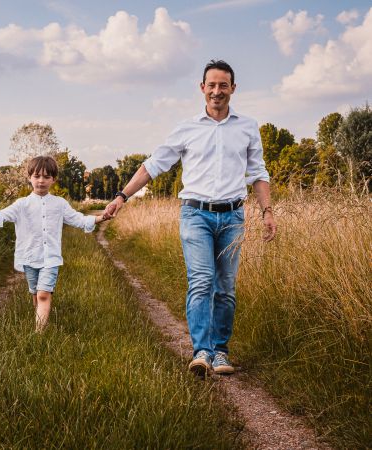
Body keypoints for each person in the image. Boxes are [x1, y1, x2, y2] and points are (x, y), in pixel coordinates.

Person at [103, 60, 277, 377]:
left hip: (233, 216)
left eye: (223, 85)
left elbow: (258, 173)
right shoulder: (187, 128)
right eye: (211, 85)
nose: (217, 91)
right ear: (202, 88)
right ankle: (201, 352)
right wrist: (121, 197)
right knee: (201, 281)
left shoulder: (247, 127)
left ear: (233, 88)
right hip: (195, 215)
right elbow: (153, 166)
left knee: (225, 287)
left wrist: (267, 211)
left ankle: (220, 351)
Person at [0, 156, 108, 331]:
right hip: (29, 257)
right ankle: (41, 322)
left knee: (43, 294)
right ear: (29, 177)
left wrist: (101, 217)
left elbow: (78, 219)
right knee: (36, 294)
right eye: (36, 176)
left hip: (51, 258)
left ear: (53, 179)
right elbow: (3, 214)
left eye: (46, 177)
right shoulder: (22, 204)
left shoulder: (59, 204)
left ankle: (38, 334)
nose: (41, 181)